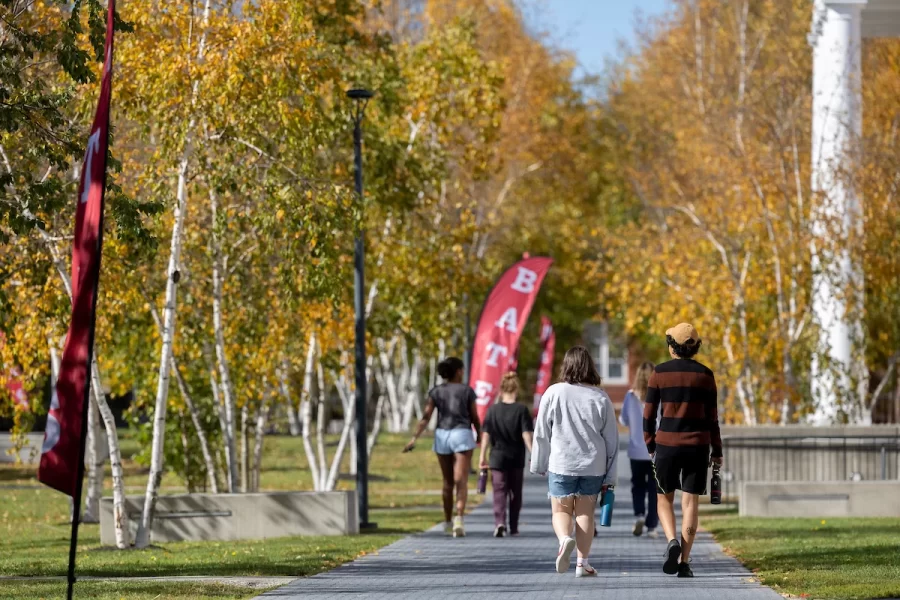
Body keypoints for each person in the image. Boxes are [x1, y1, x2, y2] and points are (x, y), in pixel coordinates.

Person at [643, 323, 723, 578]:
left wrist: (650, 443)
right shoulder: (706, 375)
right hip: (698, 446)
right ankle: (685, 563)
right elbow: (713, 419)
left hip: (666, 444)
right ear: (695, 347)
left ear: (671, 345)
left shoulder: (659, 373)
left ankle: (671, 541)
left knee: (663, 498)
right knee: (690, 504)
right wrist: (717, 450)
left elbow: (648, 414)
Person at [531, 346, 619, 578]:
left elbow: (541, 431)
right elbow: (611, 440)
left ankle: (564, 540)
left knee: (560, 511)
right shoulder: (600, 397)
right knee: (585, 514)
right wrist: (611, 476)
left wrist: (539, 463)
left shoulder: (553, 392)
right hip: (593, 465)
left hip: (561, 463)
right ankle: (582, 563)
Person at [405, 357, 481, 538]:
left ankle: (447, 521)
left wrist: (414, 437)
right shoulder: (467, 391)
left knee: (447, 482)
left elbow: (426, 417)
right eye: (462, 370)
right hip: (461, 433)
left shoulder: (436, 391)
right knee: (460, 480)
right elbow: (474, 417)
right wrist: (480, 436)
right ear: (458, 371)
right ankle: (459, 519)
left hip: (442, 435)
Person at [478, 372, 534, 538]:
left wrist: (482, 455)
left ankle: (499, 522)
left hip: (497, 458)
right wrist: (534, 453)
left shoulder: (492, 410)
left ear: (500, 391)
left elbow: (486, 434)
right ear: (516, 390)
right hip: (516, 458)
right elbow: (526, 435)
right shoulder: (522, 410)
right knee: (515, 494)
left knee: (499, 492)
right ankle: (514, 527)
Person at [620, 361, 659, 539]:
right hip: (656, 450)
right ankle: (652, 527)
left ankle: (639, 515)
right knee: (654, 488)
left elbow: (623, 420)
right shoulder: (659, 395)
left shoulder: (630, 396)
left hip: (636, 449)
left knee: (637, 486)